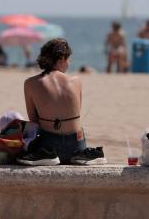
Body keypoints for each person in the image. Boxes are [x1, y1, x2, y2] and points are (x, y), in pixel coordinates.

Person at [18, 38, 105, 166]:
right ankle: (82, 156)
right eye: (68, 59)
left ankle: (48, 156)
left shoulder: (30, 83)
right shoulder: (76, 81)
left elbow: (34, 121)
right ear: (61, 59)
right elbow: (74, 113)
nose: (69, 63)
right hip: (76, 146)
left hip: (48, 147)